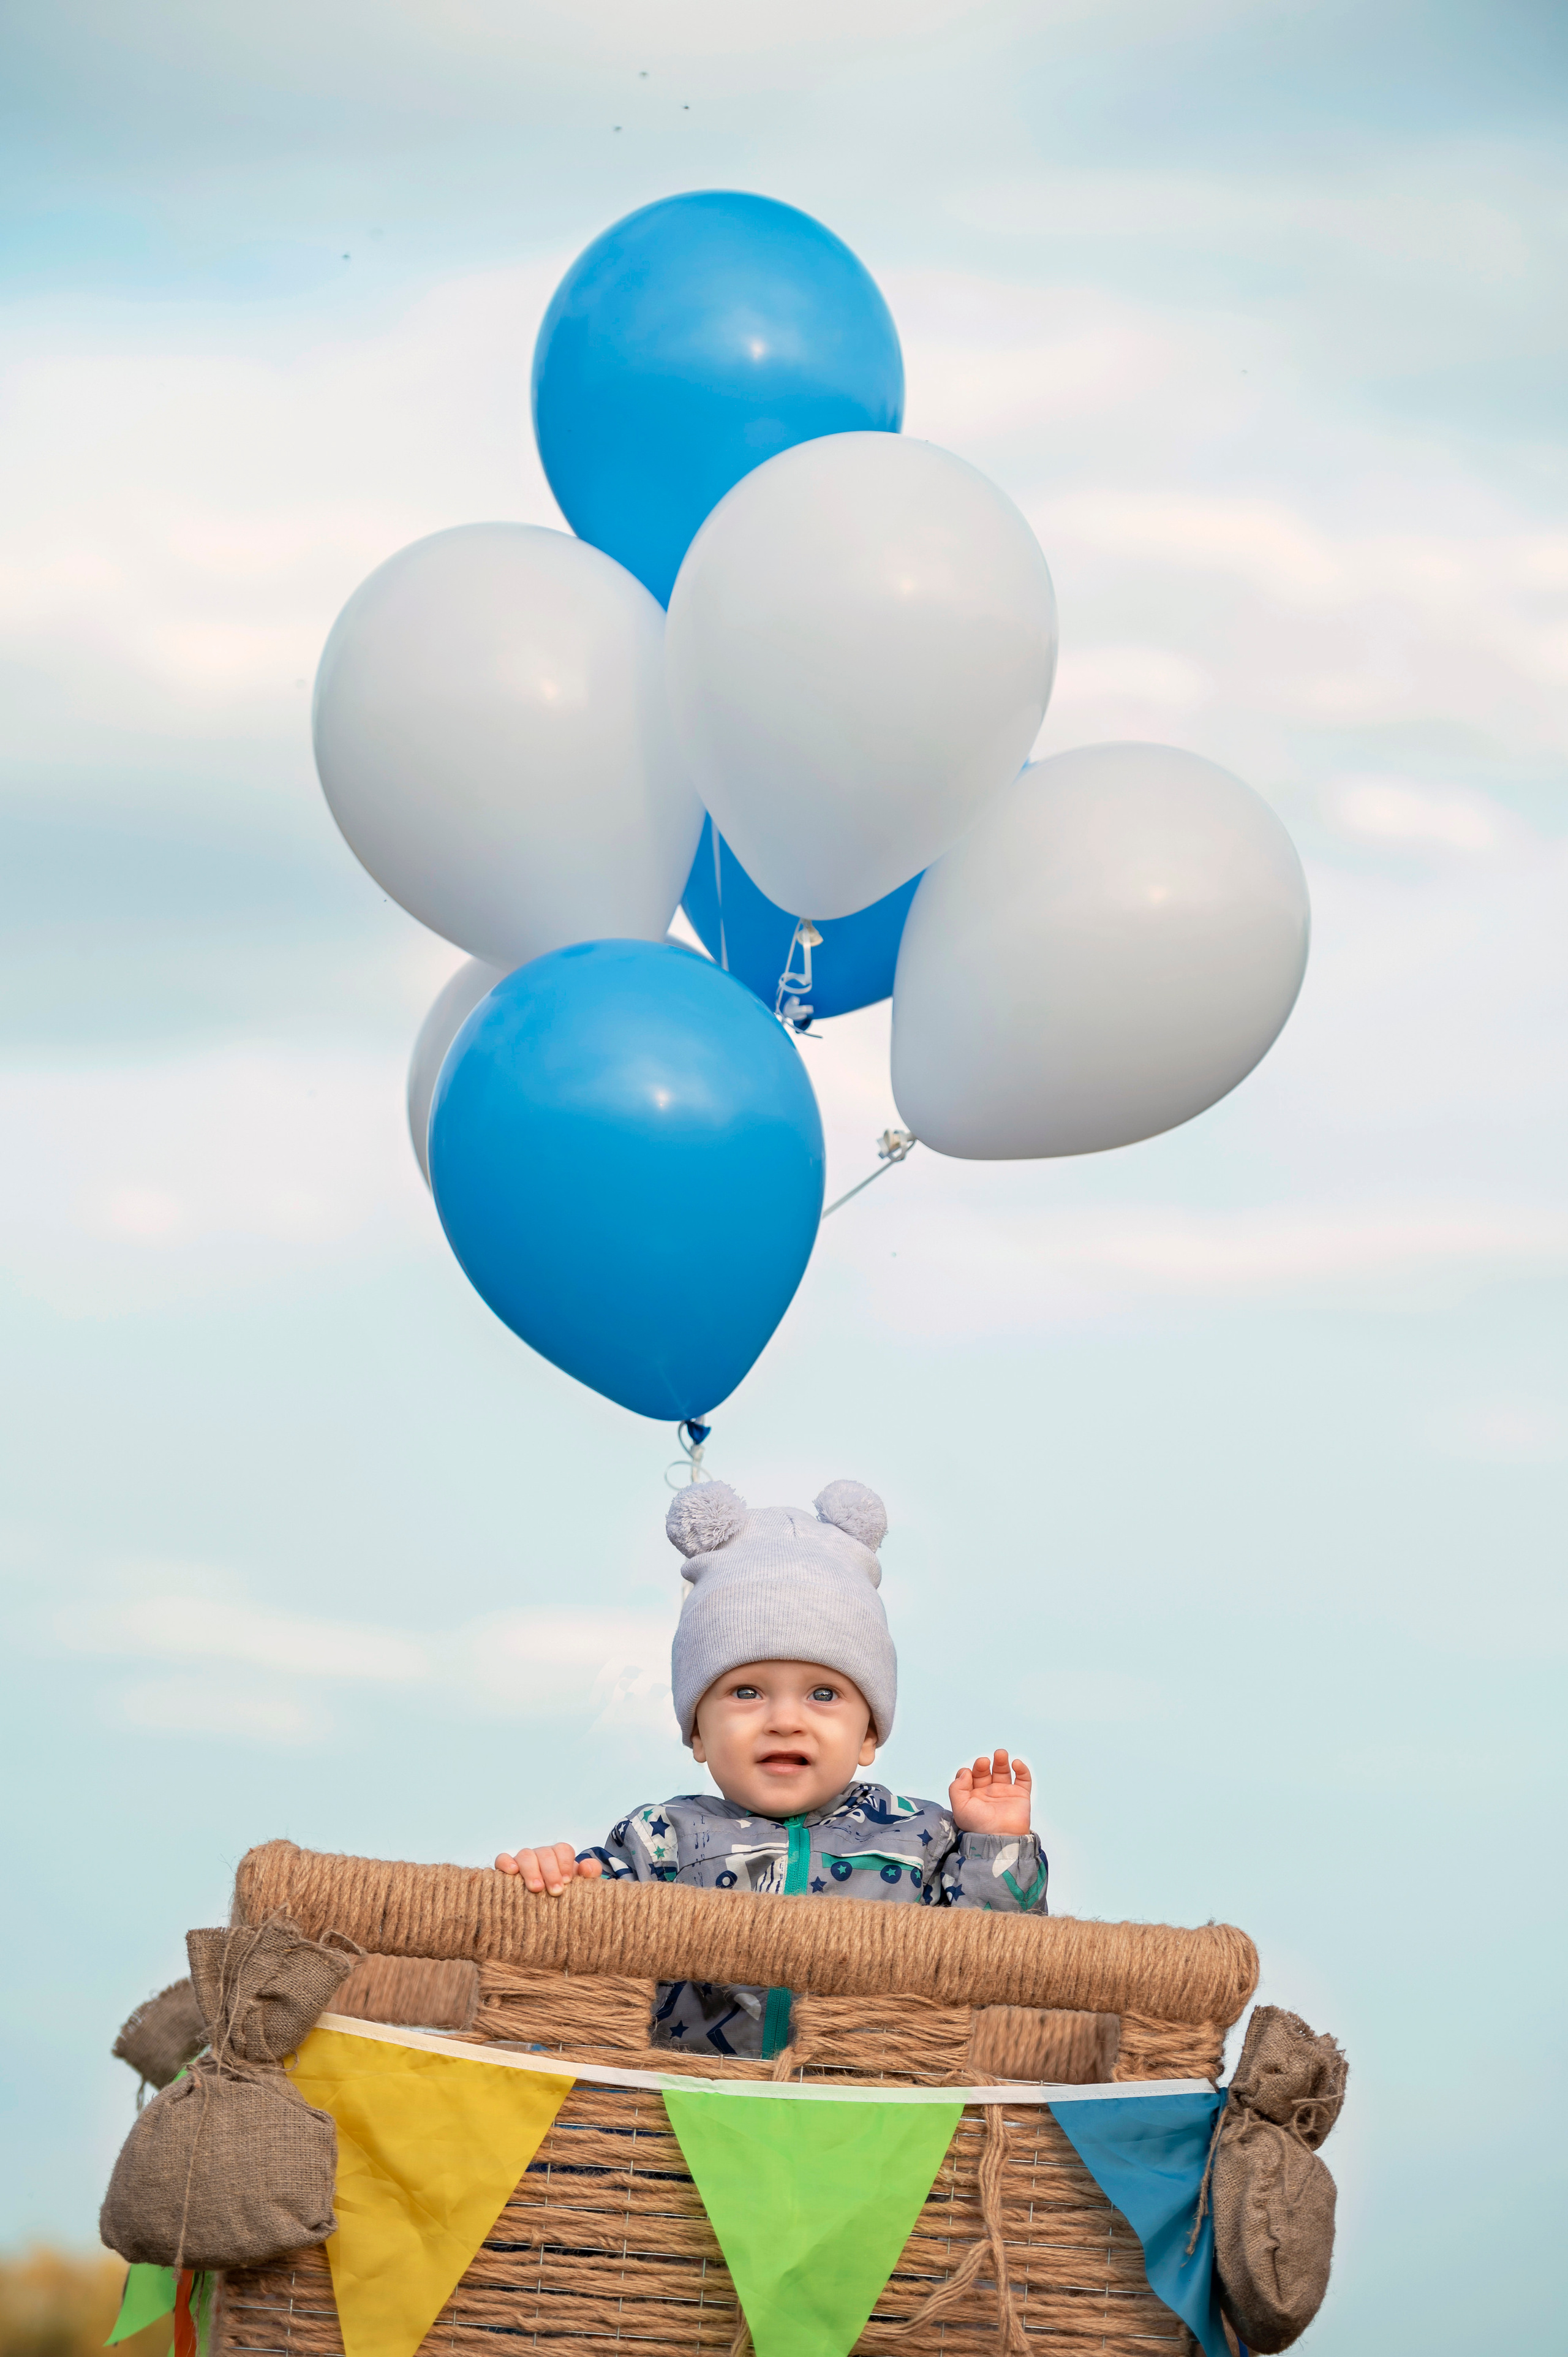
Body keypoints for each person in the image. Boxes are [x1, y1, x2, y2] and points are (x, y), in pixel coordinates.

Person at [496, 1478, 1047, 2059]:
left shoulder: (920, 1837)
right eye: (747, 1691)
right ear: (699, 1733)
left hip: (874, 2121)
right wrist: (555, 1879)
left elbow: (998, 1965)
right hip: (688, 2115)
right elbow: (582, 1955)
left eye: (825, 1694)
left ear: (868, 1734)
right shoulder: (659, 1840)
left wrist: (995, 1843)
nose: (785, 1719)